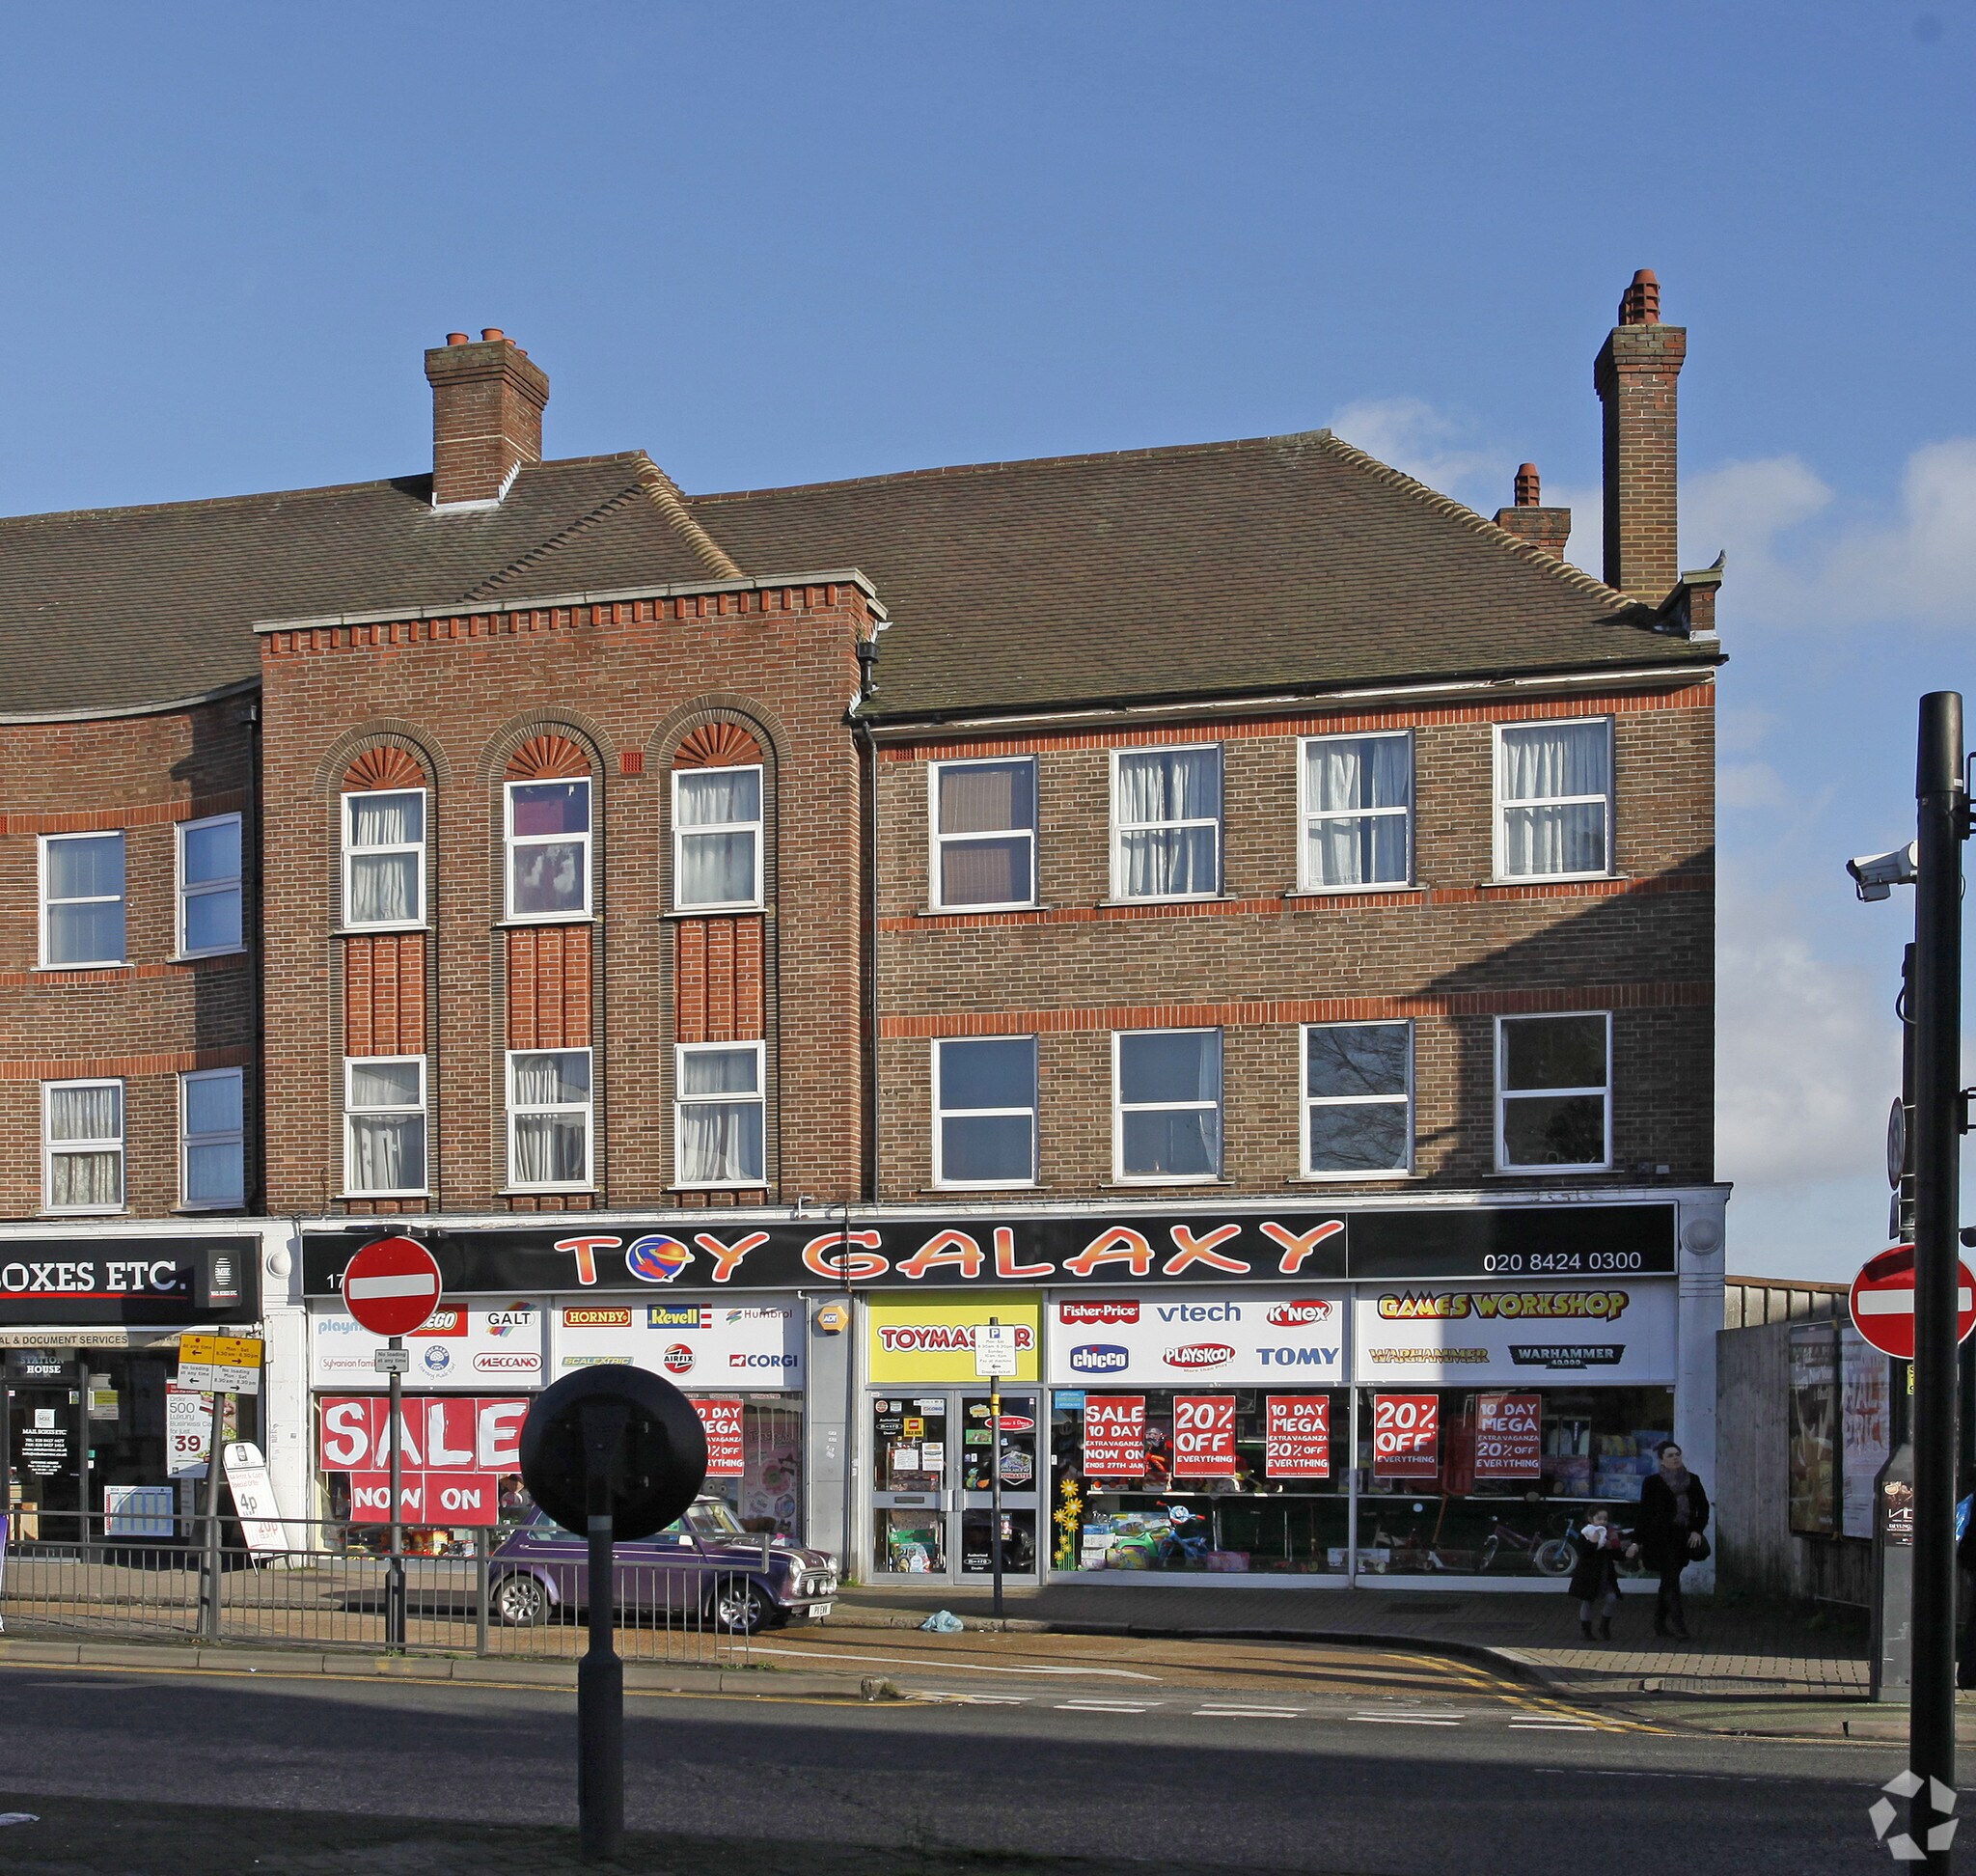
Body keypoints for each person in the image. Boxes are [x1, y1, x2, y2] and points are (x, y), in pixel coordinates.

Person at [1636, 1440, 1710, 1639]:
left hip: (1682, 1538)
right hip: (1659, 1539)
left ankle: (1659, 1623)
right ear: (1661, 1460)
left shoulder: (1692, 1480)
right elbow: (1645, 1513)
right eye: (1670, 1455)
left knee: (1669, 1579)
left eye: (1677, 1454)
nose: (1675, 1458)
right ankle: (1679, 1625)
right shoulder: (1652, 1482)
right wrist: (1637, 1540)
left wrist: (1697, 1530)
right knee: (1671, 1580)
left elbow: (1702, 1508)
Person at [1566, 1506, 1635, 1640]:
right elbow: (1583, 1552)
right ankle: (1586, 1629)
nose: (1603, 1522)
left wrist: (1625, 1554)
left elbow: (1616, 1553)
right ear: (1591, 1519)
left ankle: (1604, 1625)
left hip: (1605, 1573)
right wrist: (1593, 1543)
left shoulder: (1609, 1534)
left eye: (1605, 1519)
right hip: (1589, 1574)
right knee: (1588, 1601)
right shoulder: (1586, 1534)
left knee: (1611, 1598)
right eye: (1599, 1518)